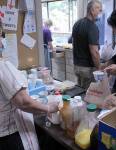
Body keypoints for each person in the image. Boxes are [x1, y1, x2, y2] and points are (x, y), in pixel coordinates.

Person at [0, 20, 59, 150]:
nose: (2, 40)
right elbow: (24, 102)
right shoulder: (3, 67)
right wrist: (48, 108)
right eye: (1, 35)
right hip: (10, 136)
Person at [72, 0, 102, 89]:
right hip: (87, 69)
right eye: (99, 10)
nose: (100, 13)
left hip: (77, 66)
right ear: (92, 10)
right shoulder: (92, 27)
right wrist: (99, 68)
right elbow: (94, 52)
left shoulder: (77, 24)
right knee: (88, 95)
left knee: (80, 91)